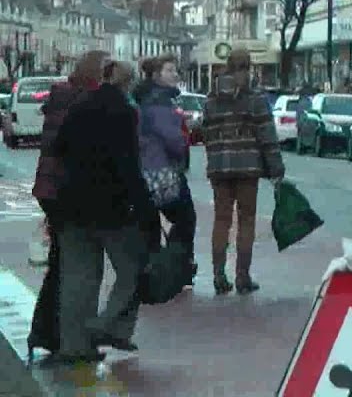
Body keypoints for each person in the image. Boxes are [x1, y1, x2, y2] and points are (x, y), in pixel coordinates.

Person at [53, 59, 157, 363]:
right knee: (132, 269)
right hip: (111, 207)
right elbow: (128, 164)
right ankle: (106, 325)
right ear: (129, 83)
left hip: (71, 203)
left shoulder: (81, 105)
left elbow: (59, 147)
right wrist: (145, 209)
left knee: (77, 277)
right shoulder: (124, 112)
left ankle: (74, 346)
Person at [27, 50, 110, 363]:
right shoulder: (82, 101)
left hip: (49, 187)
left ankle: (46, 331)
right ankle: (61, 336)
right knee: (75, 267)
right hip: (66, 190)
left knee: (62, 263)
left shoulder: (62, 97)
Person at [203, 48, 284, 295]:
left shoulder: (211, 99)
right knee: (246, 221)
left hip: (219, 168)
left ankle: (218, 274)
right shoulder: (255, 98)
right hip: (248, 167)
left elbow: (206, 133)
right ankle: (242, 276)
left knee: (221, 220)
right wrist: (276, 168)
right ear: (249, 67)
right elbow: (267, 136)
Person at [134, 55, 198, 285]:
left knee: (149, 224)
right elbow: (173, 140)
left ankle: (150, 270)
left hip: (143, 171)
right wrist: (183, 138)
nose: (175, 75)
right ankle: (177, 267)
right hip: (163, 172)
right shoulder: (159, 102)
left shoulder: (141, 98)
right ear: (156, 75)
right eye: (170, 70)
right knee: (185, 218)